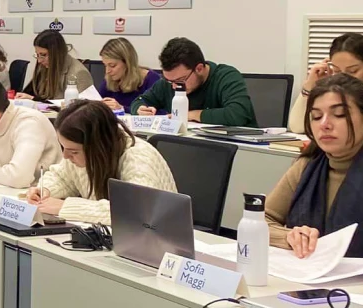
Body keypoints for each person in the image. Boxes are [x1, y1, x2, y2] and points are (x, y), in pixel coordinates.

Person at [26, 100, 177, 224]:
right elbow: (62, 177)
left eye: (74, 151)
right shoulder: (84, 153)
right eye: (63, 148)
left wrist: (64, 207)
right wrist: (45, 190)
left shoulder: (138, 158)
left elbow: (136, 211)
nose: (65, 156)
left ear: (98, 146)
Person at [265, 74, 363, 258]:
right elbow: (260, 219)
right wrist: (290, 237)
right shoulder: (308, 165)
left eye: (339, 114)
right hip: (308, 271)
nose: (324, 124)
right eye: (316, 116)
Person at [130, 37, 257, 127]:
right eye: (169, 81)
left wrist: (191, 115)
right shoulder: (171, 81)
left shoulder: (226, 76)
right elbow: (140, 101)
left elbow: (238, 114)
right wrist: (140, 109)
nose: (174, 86)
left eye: (180, 81)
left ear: (199, 68)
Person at [289, 33, 363, 134]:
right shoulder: (333, 93)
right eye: (337, 71)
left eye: (352, 71)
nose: (343, 77)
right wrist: (309, 86)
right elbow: (298, 127)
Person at [18, 30, 93, 100]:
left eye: (43, 55)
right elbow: (36, 95)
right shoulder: (43, 67)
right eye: (37, 55)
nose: (39, 60)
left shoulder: (79, 73)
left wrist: (33, 99)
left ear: (57, 53)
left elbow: (83, 107)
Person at [95, 38, 161, 112]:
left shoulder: (151, 79)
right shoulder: (109, 79)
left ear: (127, 63)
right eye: (105, 65)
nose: (107, 71)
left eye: (112, 65)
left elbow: (163, 112)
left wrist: (122, 108)